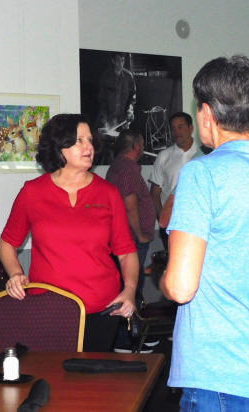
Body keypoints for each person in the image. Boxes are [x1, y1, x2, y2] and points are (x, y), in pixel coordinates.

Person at [161, 55, 249, 410]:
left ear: (206, 114)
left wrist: (163, 279)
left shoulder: (201, 174)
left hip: (218, 375)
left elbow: (180, 287)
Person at [0, 113, 139, 352]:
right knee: (51, 373)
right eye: (79, 141)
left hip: (102, 309)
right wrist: (15, 274)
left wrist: (130, 290)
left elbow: (126, 252)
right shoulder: (32, 192)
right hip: (48, 309)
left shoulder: (108, 193)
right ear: (59, 147)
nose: (89, 147)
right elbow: (7, 243)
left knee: (93, 375)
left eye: (90, 140)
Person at [106, 129, 157, 353]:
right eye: (142, 143)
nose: (143, 146)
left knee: (126, 287)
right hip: (130, 241)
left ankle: (130, 336)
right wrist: (140, 234)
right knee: (131, 288)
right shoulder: (128, 170)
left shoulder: (118, 166)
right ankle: (127, 340)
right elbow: (130, 207)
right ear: (136, 146)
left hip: (122, 239)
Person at [149, 112, 198, 249]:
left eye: (180, 127)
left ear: (191, 128)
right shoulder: (164, 156)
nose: (177, 132)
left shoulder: (204, 154)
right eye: (173, 128)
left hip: (198, 224)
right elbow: (154, 193)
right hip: (171, 225)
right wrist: (162, 219)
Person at [95, 52, 136, 165]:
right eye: (118, 60)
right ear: (113, 61)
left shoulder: (128, 77)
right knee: (108, 147)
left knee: (124, 147)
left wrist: (130, 110)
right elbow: (101, 99)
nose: (120, 63)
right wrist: (104, 120)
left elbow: (132, 97)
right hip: (109, 118)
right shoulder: (106, 76)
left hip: (123, 119)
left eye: (122, 60)